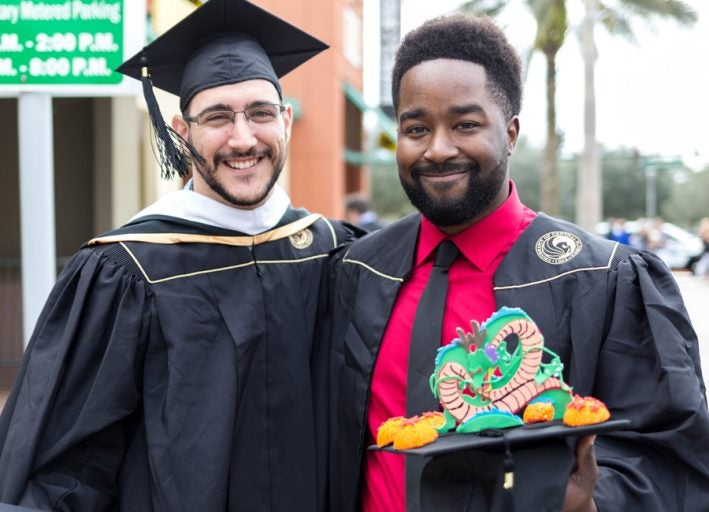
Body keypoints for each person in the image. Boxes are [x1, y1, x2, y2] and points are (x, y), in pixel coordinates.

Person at [327, 14, 709, 512]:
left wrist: (591, 505)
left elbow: (669, 457)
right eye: (416, 128)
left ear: (510, 133)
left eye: (466, 124)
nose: (438, 149)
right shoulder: (360, 270)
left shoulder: (600, 277)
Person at [0, 1, 357, 510]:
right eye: (217, 117)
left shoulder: (331, 252)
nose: (243, 138)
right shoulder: (126, 270)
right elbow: (64, 471)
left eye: (259, 113)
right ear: (181, 131)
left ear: (286, 122)